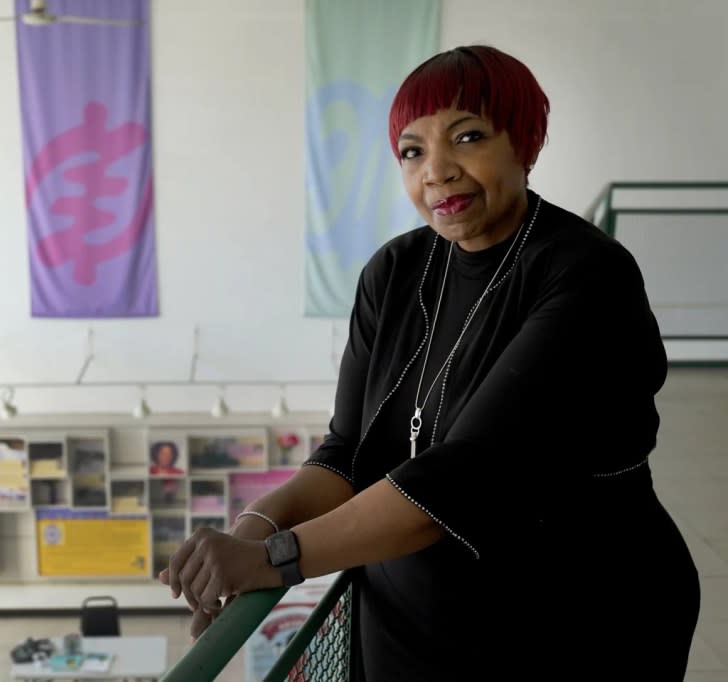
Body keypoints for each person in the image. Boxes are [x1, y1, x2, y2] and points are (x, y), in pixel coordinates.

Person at [159, 45, 700, 680]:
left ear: (524, 142)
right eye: (412, 152)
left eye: (467, 137)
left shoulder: (586, 273)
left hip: (572, 623)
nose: (436, 171)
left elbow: (465, 476)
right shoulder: (394, 272)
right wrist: (255, 525)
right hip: (411, 627)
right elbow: (345, 453)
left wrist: (276, 558)